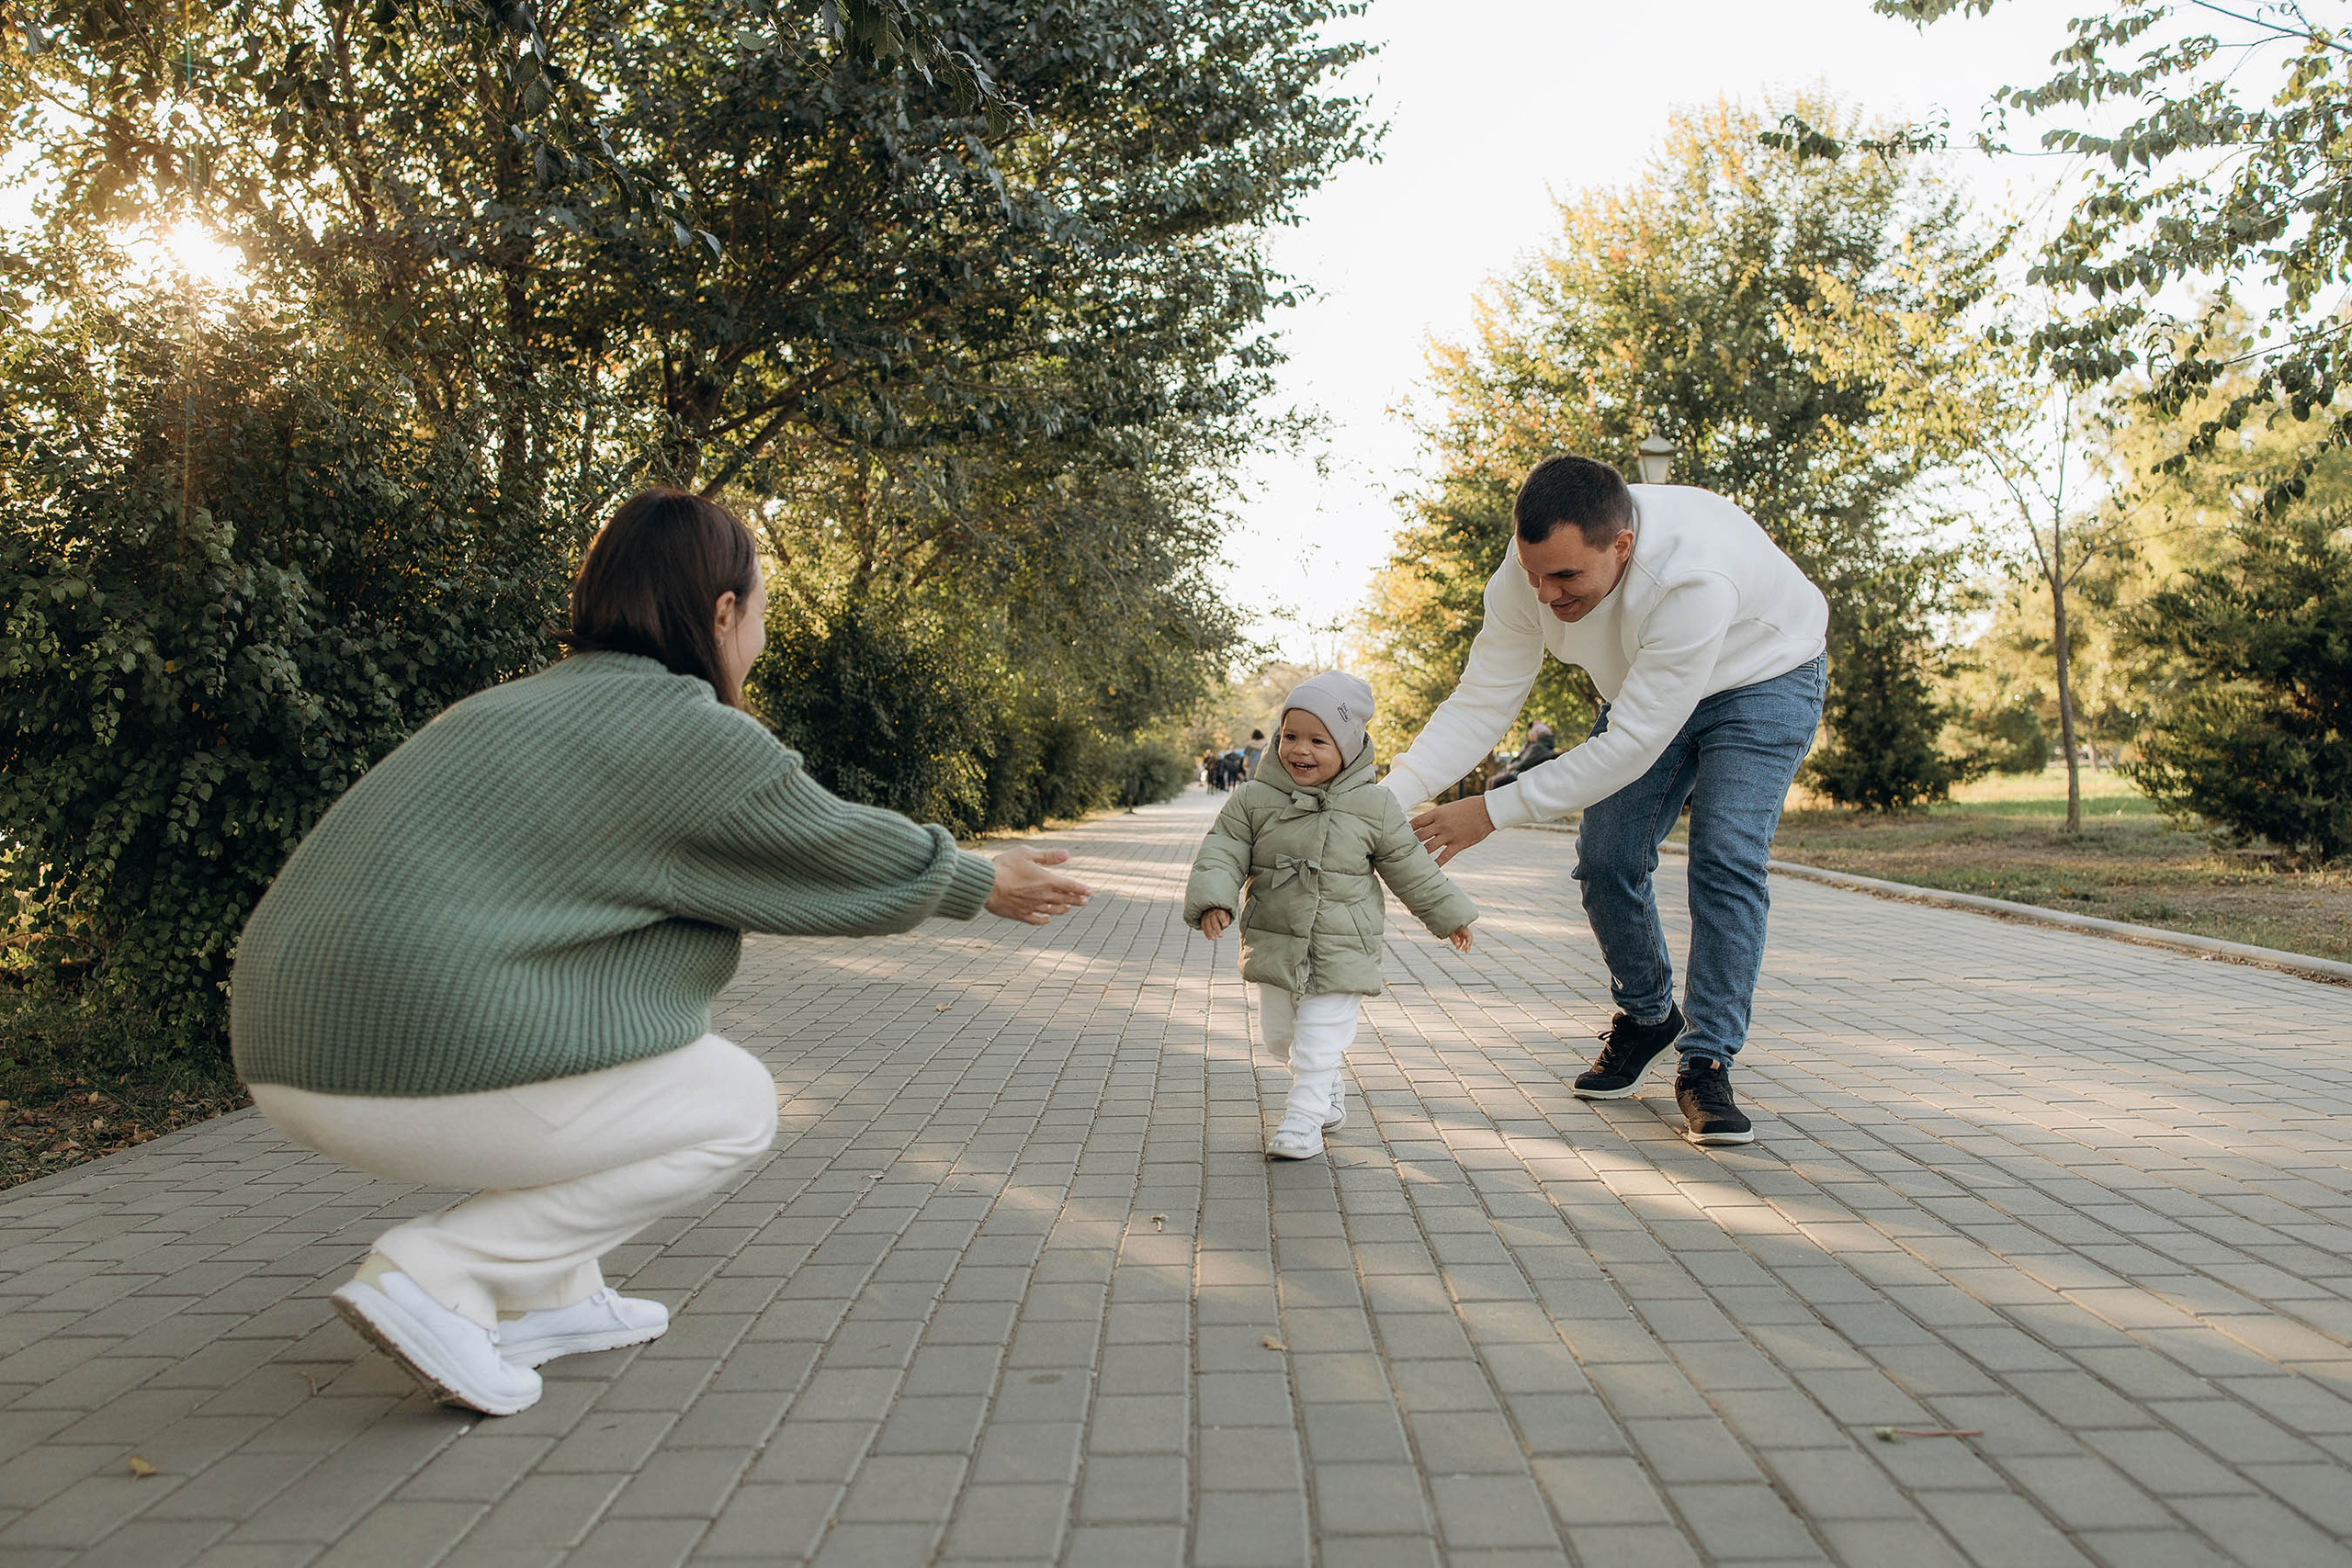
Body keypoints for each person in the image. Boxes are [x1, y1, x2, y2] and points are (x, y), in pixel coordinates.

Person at [229, 488, 1093, 1416]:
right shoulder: (682, 729)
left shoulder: (502, 708)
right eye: (759, 615)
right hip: (400, 1054)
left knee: (614, 1072)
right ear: (723, 611)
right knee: (729, 1099)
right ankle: (438, 1277)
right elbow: (829, 845)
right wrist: (978, 881)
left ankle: (552, 1295)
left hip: (283, 1044)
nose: (757, 639)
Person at [1383, 456, 1827, 1146]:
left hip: (1764, 676)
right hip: (1649, 689)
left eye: (1565, 578)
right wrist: (1386, 798)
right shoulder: (1529, 568)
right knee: (1606, 858)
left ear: (1621, 547)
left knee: (1724, 855)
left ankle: (1706, 1060)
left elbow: (1631, 746)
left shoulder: (1690, 578)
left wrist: (1491, 810)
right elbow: (1483, 698)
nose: (1547, 595)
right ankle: (1648, 1015)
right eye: (1535, 575)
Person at [1184, 672, 1477, 1160]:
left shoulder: (1374, 806)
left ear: (1348, 746)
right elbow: (1223, 849)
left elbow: (1411, 868)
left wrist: (1449, 916)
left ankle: (1303, 1121)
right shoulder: (1254, 800)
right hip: (1275, 940)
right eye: (1290, 737)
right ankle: (1327, 1089)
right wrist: (1215, 899)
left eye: (1318, 740)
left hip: (1343, 944)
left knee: (1319, 1036)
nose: (1300, 749)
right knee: (1281, 1038)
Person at [1485, 720, 1556, 790]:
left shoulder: (1538, 747)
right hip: (1523, 772)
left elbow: (1524, 763)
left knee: (1495, 782)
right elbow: (1522, 758)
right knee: (1492, 780)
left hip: (1522, 774)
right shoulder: (1539, 745)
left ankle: (1491, 801)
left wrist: (1511, 767)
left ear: (1537, 735)